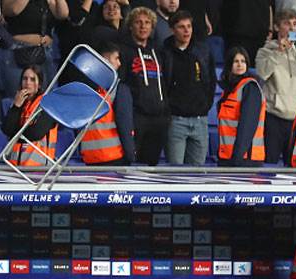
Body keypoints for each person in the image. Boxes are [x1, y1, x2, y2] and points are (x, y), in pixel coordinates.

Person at [255, 8, 296, 165]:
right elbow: (262, 74)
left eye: (295, 24)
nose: (292, 28)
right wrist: (278, 51)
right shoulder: (265, 51)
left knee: (295, 166)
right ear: (277, 27)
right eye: (287, 24)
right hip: (273, 119)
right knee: (269, 164)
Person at [162, 10, 215, 166]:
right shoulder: (164, 52)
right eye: (181, 27)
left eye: (189, 26)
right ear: (172, 29)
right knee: (175, 174)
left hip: (200, 120)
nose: (186, 31)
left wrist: (206, 106)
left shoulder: (203, 51)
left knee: (197, 176)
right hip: (176, 121)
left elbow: (211, 81)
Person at [119, 7, 168, 166]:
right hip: (137, 117)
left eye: (147, 23)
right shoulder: (124, 51)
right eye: (138, 22)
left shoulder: (158, 51)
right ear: (131, 26)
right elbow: (122, 84)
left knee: (151, 166)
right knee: (132, 163)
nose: (143, 26)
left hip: (159, 118)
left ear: (152, 27)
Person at [79, 42, 134, 165]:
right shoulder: (118, 89)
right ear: (105, 60)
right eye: (116, 58)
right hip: (114, 157)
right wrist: (130, 155)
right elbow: (124, 124)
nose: (119, 63)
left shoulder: (84, 88)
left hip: (89, 158)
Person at [1, 0, 69, 97]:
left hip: (43, 53)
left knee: (48, 98)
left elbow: (63, 14)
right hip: (18, 54)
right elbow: (13, 10)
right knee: (18, 97)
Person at [217, 46, 266, 166]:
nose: (240, 65)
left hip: (244, 159)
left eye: (243, 61)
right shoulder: (229, 90)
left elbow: (247, 126)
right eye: (236, 61)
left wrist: (236, 158)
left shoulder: (250, 88)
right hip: (227, 156)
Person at [2, 64, 57, 166]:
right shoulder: (18, 102)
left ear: (39, 84)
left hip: (39, 167)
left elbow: (35, 133)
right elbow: (6, 129)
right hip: (14, 165)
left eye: (32, 79)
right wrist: (16, 107)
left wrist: (15, 133)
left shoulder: (48, 104)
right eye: (24, 79)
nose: (27, 83)